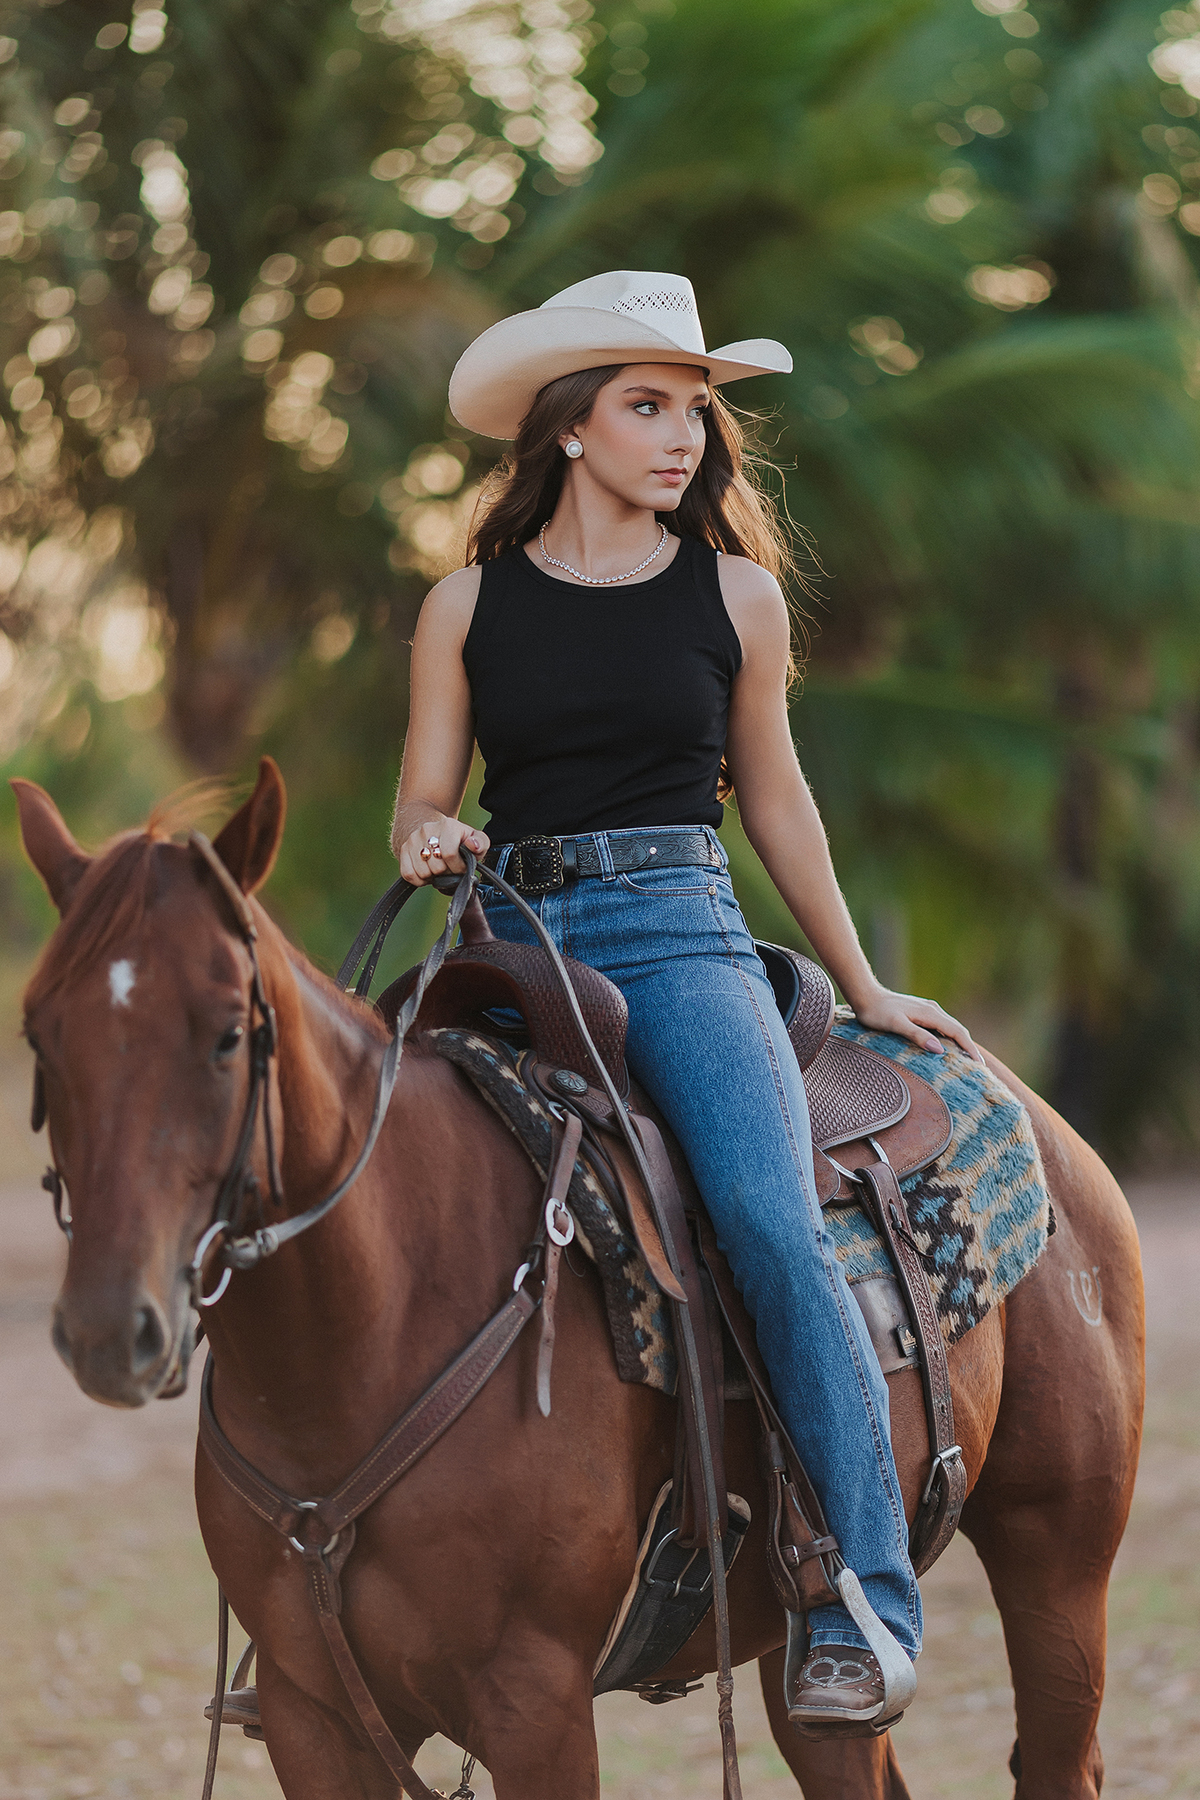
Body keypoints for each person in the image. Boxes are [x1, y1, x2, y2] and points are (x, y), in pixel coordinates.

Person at [390, 270, 979, 1730]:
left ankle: (863, 1607)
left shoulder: (737, 597)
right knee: (369, 1187)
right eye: (648, 407)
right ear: (570, 430)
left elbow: (778, 807)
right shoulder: (464, 605)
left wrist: (860, 982)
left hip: (679, 941)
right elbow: (422, 791)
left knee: (773, 1225)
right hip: (510, 942)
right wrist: (423, 836)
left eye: (697, 414)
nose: (685, 439)